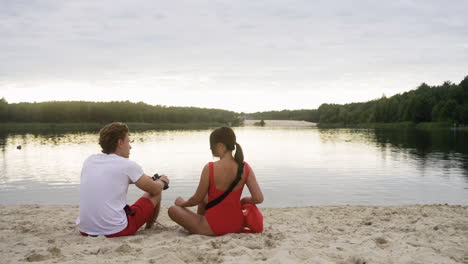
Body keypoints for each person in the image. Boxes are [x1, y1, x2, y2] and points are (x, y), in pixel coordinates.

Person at [76, 122, 169, 237]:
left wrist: (140, 179)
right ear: (120, 143)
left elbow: (111, 177)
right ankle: (150, 227)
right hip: (115, 230)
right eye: (128, 142)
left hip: (85, 229)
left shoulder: (90, 160)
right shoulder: (127, 165)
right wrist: (162, 181)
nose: (130, 146)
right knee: (156, 193)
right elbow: (155, 189)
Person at [168, 126, 263, 236]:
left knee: (173, 210)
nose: (210, 149)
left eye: (211, 146)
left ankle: (201, 225)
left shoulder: (210, 168)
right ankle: (201, 221)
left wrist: (182, 203)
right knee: (205, 198)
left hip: (214, 227)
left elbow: (195, 199)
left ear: (220, 146)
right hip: (236, 224)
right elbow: (258, 198)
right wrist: (244, 200)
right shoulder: (245, 167)